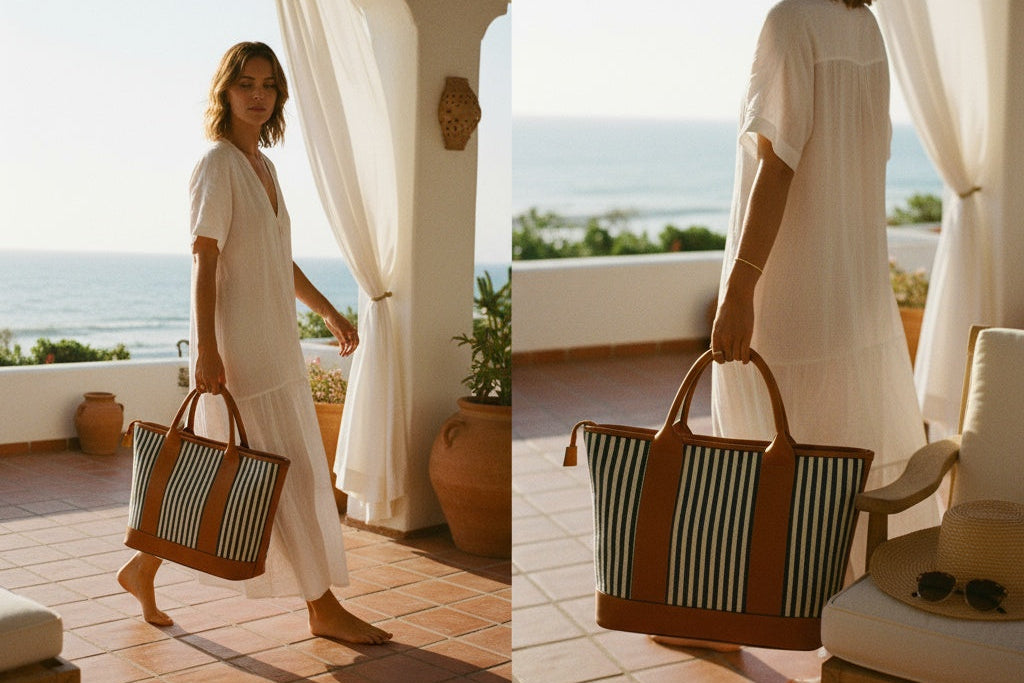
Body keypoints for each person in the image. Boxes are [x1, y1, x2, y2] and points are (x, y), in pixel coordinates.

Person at [117, 41, 391, 645]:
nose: (258, 95)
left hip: (277, 345)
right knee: (276, 476)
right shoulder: (217, 164)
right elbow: (203, 257)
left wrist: (330, 315)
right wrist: (208, 350)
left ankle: (143, 566)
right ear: (225, 91)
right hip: (241, 351)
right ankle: (322, 608)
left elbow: (278, 260)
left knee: (224, 471)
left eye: (268, 84)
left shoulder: (264, 167)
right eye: (246, 84)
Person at [711, 0, 941, 556]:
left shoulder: (789, 22)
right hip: (853, 290)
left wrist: (740, 291)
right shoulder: (866, 27)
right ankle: (847, 592)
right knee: (842, 454)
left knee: (760, 448)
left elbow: (778, 165)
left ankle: (750, 600)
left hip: (789, 290)